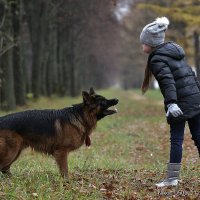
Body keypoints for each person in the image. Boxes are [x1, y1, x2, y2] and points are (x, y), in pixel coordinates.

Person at [140, 17, 200, 187]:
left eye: (143, 42)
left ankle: (172, 179)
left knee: (176, 140)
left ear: (151, 43)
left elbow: (167, 82)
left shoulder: (157, 59)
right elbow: (191, 75)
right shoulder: (174, 52)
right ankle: (172, 178)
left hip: (180, 103)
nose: (142, 46)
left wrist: (172, 103)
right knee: (198, 137)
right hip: (195, 99)